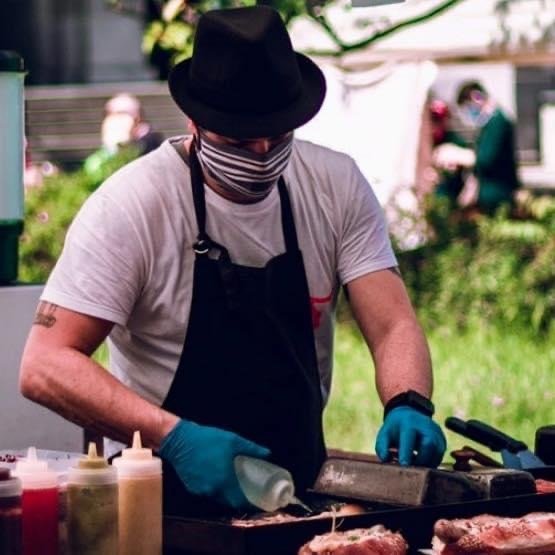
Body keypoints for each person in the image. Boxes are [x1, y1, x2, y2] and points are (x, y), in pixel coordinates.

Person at [19, 6, 446, 517]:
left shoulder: (334, 186)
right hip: (157, 495)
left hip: (294, 492)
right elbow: (45, 364)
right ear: (196, 121)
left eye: (277, 135)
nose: (263, 153)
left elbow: (392, 319)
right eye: (241, 141)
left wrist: (408, 402)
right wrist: (174, 437)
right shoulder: (132, 206)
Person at [445, 81, 519, 215]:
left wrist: (459, 155)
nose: (469, 113)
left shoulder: (497, 121)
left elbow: (484, 158)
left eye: (467, 107)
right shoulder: (489, 124)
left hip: (498, 194)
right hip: (491, 194)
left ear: (476, 97)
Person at [83, 92, 163, 180]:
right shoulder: (102, 153)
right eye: (109, 113)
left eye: (120, 113)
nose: (114, 119)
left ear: (137, 118)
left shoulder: (151, 142)